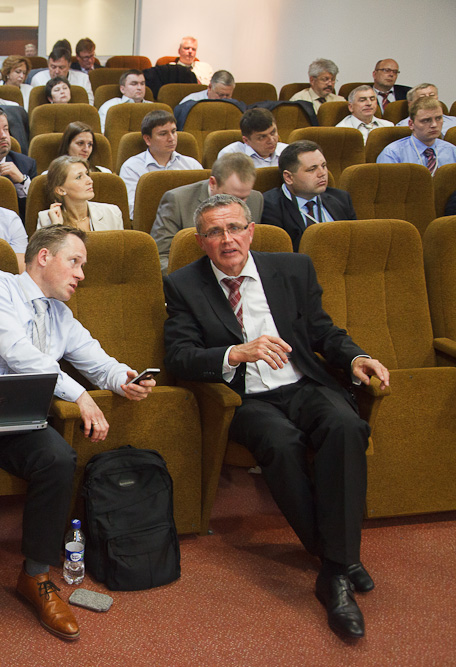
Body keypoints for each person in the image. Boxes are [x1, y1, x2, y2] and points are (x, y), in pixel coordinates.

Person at [0, 224, 155, 650]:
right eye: (74, 261)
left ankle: (36, 575)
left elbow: (98, 360)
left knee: (58, 459)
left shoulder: (60, 316)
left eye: (83, 265)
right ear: (44, 257)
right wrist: (79, 395)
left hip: (16, 415)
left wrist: (124, 378)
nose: (81, 274)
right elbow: (18, 353)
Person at [163, 193, 389, 640]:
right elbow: (179, 356)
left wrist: (356, 357)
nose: (227, 239)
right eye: (214, 232)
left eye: (234, 228)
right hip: (247, 398)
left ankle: (334, 566)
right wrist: (235, 352)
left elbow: (322, 330)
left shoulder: (292, 268)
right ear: (200, 241)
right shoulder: (183, 284)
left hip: (303, 383)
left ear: (250, 231)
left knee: (346, 426)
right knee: (282, 444)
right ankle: (340, 562)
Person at [150, 152, 263, 273]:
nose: (237, 204)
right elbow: (160, 257)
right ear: (213, 183)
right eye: (230, 196)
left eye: (244, 198)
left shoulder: (256, 199)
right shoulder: (177, 201)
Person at [261, 140, 357, 251]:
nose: (322, 173)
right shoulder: (269, 206)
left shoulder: (341, 198)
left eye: (323, 166)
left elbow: (355, 242)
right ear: (288, 177)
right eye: (312, 169)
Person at [119, 109, 203, 217]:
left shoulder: (192, 165)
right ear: (147, 139)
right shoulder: (131, 167)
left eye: (173, 131)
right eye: (163, 134)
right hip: (150, 223)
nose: (171, 138)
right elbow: (132, 210)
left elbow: (205, 203)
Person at [38, 156, 124, 233]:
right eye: (79, 177)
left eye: (87, 174)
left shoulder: (112, 213)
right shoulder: (46, 220)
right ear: (61, 190)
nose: (90, 181)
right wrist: (56, 227)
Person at [378, 96, 456, 174]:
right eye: (426, 120)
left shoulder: (452, 151)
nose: (434, 125)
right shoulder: (392, 154)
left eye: (438, 118)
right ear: (411, 124)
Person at [218, 108, 288, 168]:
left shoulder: (287, 152)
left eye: (273, 132)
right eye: (262, 137)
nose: (271, 140)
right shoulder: (230, 156)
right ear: (246, 140)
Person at [30, 45, 94, 104]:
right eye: (53, 67)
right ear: (48, 65)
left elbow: (90, 104)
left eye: (61, 67)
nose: (57, 71)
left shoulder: (83, 78)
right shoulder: (38, 79)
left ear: (69, 65)